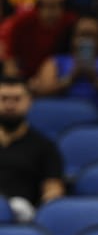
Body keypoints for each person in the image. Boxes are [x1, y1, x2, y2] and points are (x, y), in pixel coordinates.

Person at [29, 13, 98, 112]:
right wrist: (71, 79)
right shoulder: (55, 61)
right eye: (82, 35)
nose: (87, 41)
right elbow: (43, 92)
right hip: (62, 112)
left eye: (92, 36)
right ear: (72, 38)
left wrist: (97, 81)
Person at [0, 75, 65, 222]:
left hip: (22, 216)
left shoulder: (45, 146)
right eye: (4, 98)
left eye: (17, 99)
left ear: (29, 101)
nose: (10, 105)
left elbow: (53, 190)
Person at [1, 0, 77, 79]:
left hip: (63, 80)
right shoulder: (21, 22)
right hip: (26, 80)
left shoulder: (74, 22)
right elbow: (10, 61)